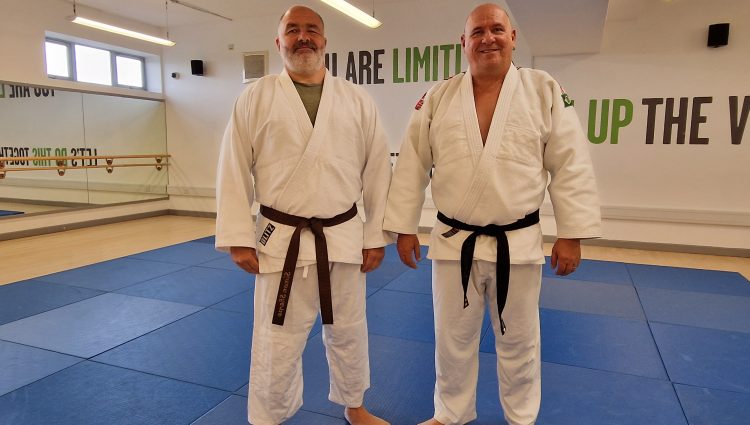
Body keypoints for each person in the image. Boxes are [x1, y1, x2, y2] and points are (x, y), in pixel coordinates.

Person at [383, 3, 602, 425]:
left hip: (516, 243)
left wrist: (571, 232)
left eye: (497, 29)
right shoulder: (439, 96)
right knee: (451, 340)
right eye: (478, 31)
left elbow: (570, 162)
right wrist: (404, 227)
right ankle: (450, 414)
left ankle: (520, 417)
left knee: (519, 341)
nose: (488, 38)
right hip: (451, 241)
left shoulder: (543, 90)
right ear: (463, 43)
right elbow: (411, 162)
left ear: (513, 37)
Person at [215, 5, 392, 425]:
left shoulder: (356, 100)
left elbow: (378, 170)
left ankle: (355, 406)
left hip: (344, 236)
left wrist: (374, 236)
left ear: (325, 40)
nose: (303, 37)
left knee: (349, 330)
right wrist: (238, 236)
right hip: (280, 238)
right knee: (276, 337)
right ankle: (268, 416)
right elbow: (233, 166)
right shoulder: (255, 98)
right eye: (292, 30)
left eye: (311, 29)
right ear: (279, 42)